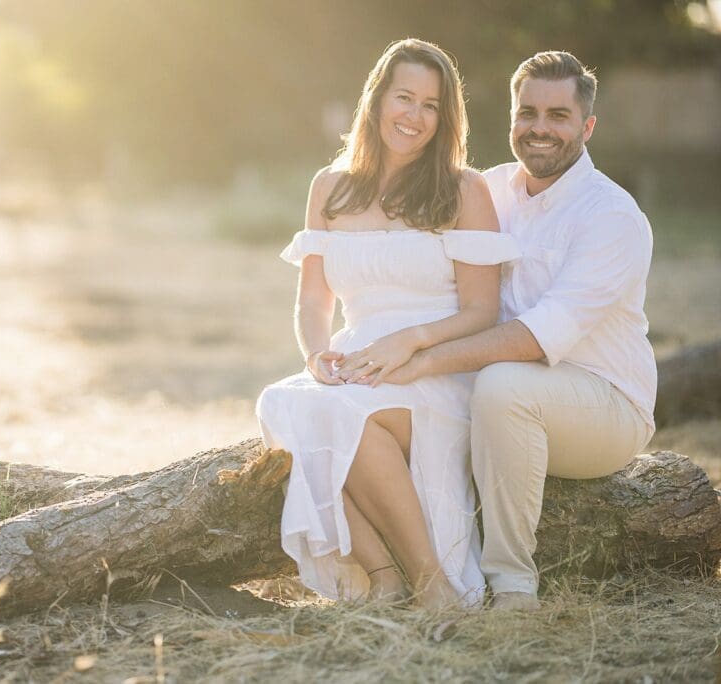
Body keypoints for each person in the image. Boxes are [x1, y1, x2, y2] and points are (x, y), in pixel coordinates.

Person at [373, 51, 657, 611]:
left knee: (503, 386)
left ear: (587, 126)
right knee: (399, 404)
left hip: (605, 401)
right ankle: (388, 573)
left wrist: (424, 357)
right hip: (498, 388)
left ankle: (512, 588)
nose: (540, 129)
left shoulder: (612, 217)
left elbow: (535, 338)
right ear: (511, 117)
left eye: (558, 116)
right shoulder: (490, 190)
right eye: (528, 113)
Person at [256, 38, 520, 610]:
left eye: (431, 106)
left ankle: (434, 584)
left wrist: (413, 342)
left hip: (437, 362)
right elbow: (313, 302)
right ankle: (384, 576)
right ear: (377, 100)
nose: (415, 117)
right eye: (405, 97)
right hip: (360, 358)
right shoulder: (330, 187)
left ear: (446, 117)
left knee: (343, 412)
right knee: (286, 403)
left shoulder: (463, 189)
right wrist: (316, 354)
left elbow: (481, 310)